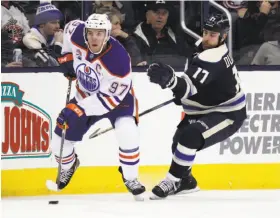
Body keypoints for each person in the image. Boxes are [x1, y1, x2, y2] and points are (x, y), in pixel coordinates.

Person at [147, 14, 247, 199]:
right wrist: (181, 92)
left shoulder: (214, 57)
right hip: (206, 107)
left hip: (227, 113)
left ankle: (171, 180)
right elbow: (193, 83)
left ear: (223, 37)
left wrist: (171, 82)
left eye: (213, 35)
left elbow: (188, 87)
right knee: (178, 142)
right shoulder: (201, 48)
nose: (207, 37)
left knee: (190, 136)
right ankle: (186, 181)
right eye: (206, 32)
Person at [52, 14, 145, 200]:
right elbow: (69, 28)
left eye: (100, 34)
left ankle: (130, 177)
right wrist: (67, 57)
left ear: (108, 34)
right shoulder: (77, 32)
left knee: (127, 132)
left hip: (117, 100)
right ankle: (69, 165)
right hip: (85, 94)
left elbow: (108, 101)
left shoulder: (119, 60)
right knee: (59, 136)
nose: (95, 37)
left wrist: (78, 110)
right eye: (91, 33)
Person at [23, 2, 63, 66]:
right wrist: (58, 44)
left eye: (58, 22)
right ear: (41, 24)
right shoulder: (30, 39)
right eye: (53, 22)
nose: (58, 26)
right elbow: (51, 65)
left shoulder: (53, 37)